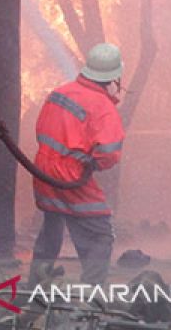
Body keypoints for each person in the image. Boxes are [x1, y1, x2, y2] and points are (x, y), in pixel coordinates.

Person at [29, 42, 126, 286]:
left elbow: (41, 129)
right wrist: (92, 163)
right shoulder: (103, 107)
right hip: (71, 177)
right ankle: (91, 295)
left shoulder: (59, 92)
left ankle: (37, 287)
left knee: (51, 229)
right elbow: (109, 153)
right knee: (100, 234)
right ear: (113, 77)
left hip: (42, 171)